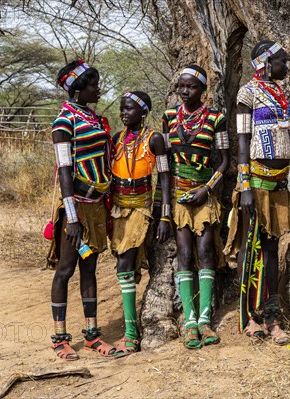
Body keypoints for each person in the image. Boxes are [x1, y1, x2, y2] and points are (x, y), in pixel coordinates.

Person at [224, 40, 290, 345]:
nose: (285, 66)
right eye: (281, 61)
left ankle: (273, 317)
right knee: (249, 250)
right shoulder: (247, 93)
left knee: (270, 251)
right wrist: (246, 185)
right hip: (257, 184)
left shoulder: (280, 95)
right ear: (264, 62)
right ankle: (250, 317)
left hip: (279, 186)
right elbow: (242, 140)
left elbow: (286, 147)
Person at [47, 60, 115, 360]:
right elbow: (64, 170)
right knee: (65, 269)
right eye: (92, 84)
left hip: (96, 207)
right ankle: (60, 338)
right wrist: (72, 218)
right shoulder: (64, 121)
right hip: (74, 208)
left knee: (90, 268)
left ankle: (92, 334)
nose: (97, 88)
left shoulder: (95, 119)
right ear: (77, 89)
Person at [162, 65, 230, 349]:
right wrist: (164, 208)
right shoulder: (168, 118)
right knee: (185, 255)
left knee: (205, 252)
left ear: (203, 90)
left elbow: (226, 162)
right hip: (178, 196)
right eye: (181, 86)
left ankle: (205, 320)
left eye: (191, 86)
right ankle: (189, 322)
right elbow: (164, 163)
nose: (185, 91)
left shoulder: (217, 118)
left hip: (204, 195)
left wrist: (207, 189)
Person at [109, 91, 171, 357]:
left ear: (143, 112)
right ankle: (131, 328)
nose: (124, 113)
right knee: (125, 265)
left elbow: (165, 178)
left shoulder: (154, 139)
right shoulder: (117, 139)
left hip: (143, 209)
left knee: (126, 262)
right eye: (122, 109)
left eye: (130, 109)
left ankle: (131, 334)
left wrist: (164, 214)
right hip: (119, 210)